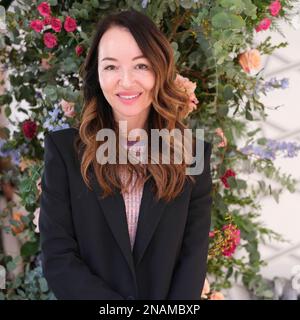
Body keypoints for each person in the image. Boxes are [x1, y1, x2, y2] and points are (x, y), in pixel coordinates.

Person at [39, 9, 213, 300]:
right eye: (111, 67)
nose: (126, 81)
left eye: (141, 66)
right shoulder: (64, 152)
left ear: (159, 69)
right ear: (97, 73)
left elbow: (192, 262)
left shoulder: (192, 155)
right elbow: (58, 259)